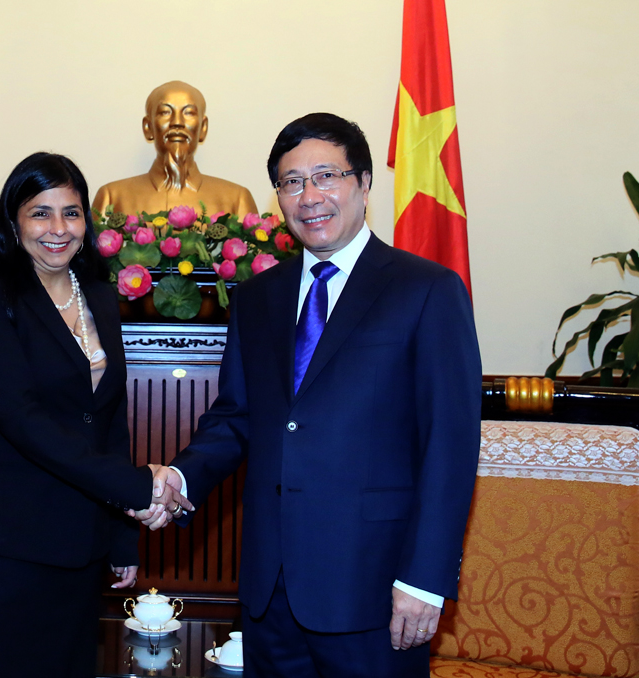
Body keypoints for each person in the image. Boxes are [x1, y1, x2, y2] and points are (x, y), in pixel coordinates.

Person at [137, 113, 482, 677]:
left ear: (364, 183)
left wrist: (425, 579)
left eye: (326, 176)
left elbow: (450, 446)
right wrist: (179, 478)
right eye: (292, 182)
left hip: (376, 589)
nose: (309, 196)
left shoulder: (427, 290)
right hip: (270, 591)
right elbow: (236, 417)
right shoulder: (257, 297)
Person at [0, 152, 192, 677]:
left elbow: (109, 419)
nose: (58, 228)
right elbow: (19, 416)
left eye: (71, 213)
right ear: (14, 220)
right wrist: (139, 486)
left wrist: (122, 537)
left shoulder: (99, 294)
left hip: (77, 547)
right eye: (40, 213)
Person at [92, 80, 258, 217]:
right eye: (165, 112)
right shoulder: (112, 198)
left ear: (203, 128)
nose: (177, 122)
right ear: (148, 127)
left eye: (189, 113)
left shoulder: (237, 200)